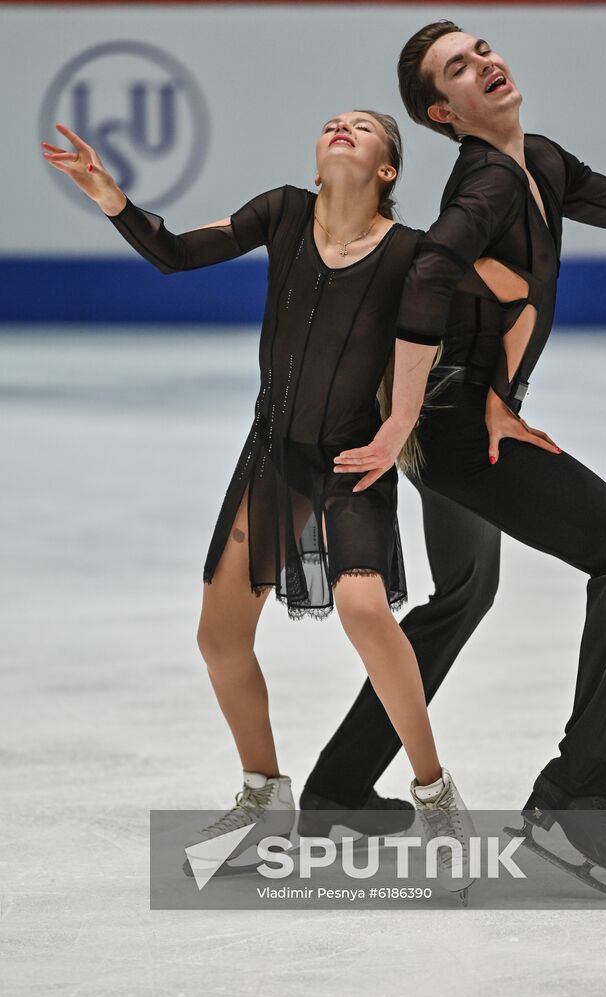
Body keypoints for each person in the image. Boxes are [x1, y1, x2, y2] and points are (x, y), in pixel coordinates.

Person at [40, 111, 476, 896]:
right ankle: (264, 795)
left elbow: (455, 338)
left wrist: (435, 423)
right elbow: (173, 254)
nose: (343, 127)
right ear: (317, 165)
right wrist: (110, 195)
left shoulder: (410, 255)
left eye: (365, 128)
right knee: (218, 636)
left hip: (351, 460)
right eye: (332, 124)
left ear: (388, 172)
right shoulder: (280, 212)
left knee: (367, 612)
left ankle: (436, 793)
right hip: (273, 456)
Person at [311, 19, 606, 893]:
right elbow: (428, 271)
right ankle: (571, 800)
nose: (485, 61)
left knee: (466, 591)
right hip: (456, 434)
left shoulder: (539, 161)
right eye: (459, 67)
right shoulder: (484, 182)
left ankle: (337, 785)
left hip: (466, 418)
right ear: (444, 113)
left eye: (482, 48)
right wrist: (410, 410)